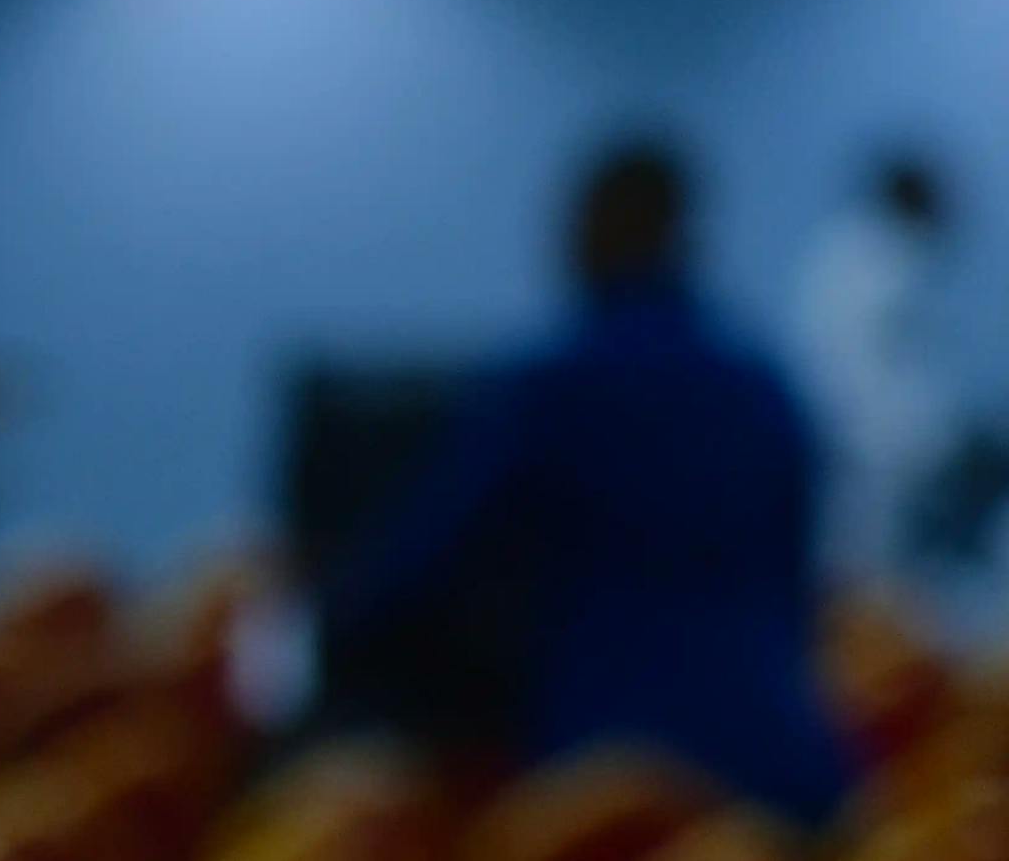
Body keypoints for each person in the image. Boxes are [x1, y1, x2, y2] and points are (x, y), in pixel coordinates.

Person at [330, 137, 843, 819]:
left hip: (609, 773)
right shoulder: (765, 388)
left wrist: (331, 632)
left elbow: (424, 561)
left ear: (596, 228)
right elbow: (803, 583)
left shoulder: (552, 386)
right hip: (784, 769)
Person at [792, 149, 956, 581]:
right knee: (862, 570)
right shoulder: (885, 266)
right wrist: (926, 445)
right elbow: (869, 374)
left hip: (844, 441)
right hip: (864, 450)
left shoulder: (843, 255)